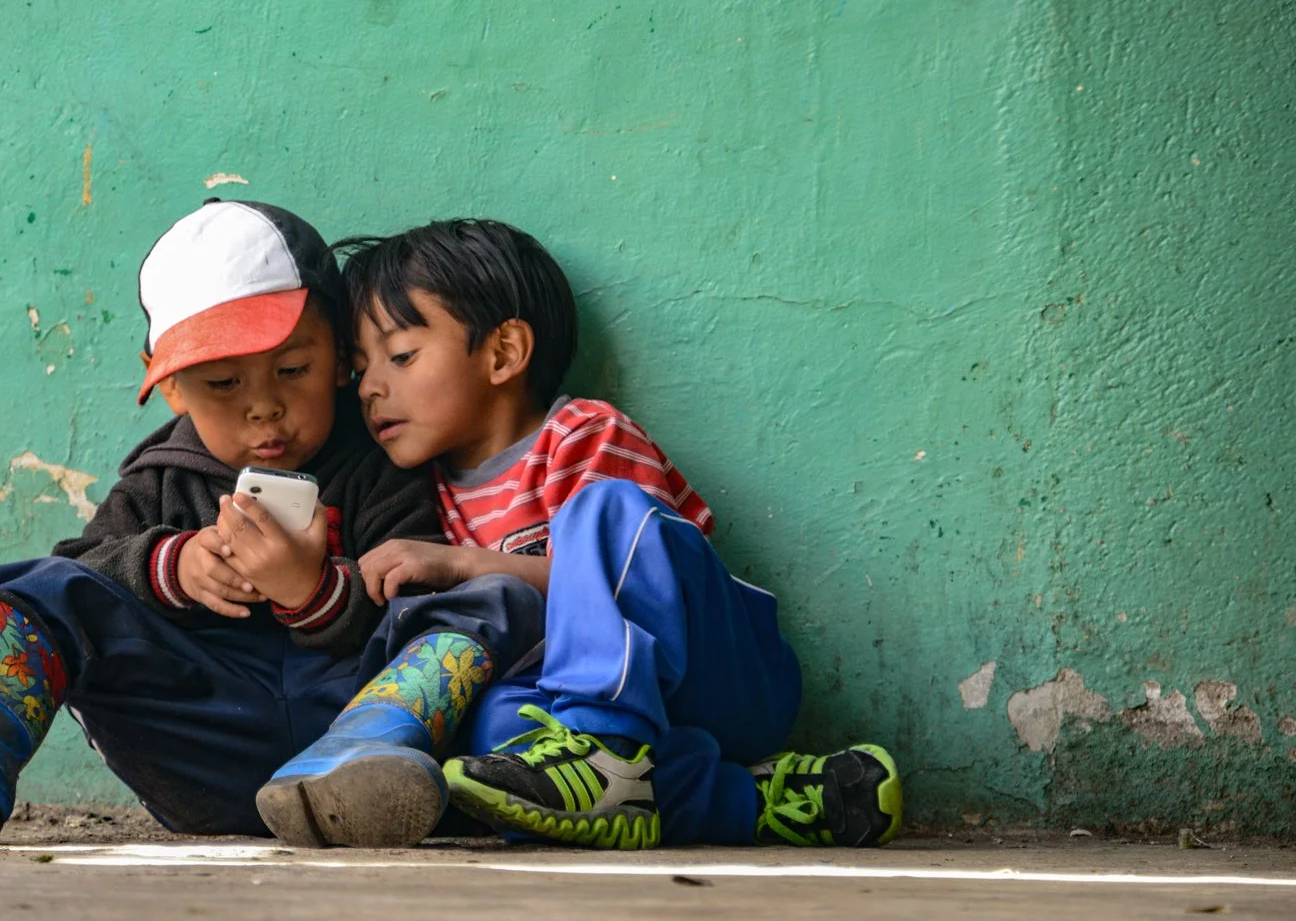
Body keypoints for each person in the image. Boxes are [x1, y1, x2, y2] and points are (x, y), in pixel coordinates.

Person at [0, 201, 542, 846]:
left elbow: (413, 595)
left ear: (341, 359)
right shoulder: (162, 477)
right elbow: (85, 573)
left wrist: (312, 590)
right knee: (31, 586)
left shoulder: (379, 460)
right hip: (204, 736)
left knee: (486, 598)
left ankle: (363, 756)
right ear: (169, 384)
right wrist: (174, 569)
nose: (263, 407)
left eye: (294, 370)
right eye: (223, 384)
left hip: (355, 727)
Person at [335, 219, 902, 850]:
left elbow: (629, 581)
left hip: (718, 677)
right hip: (593, 729)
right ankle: (755, 800)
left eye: (401, 356)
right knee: (499, 742)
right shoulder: (420, 495)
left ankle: (602, 747)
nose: (370, 387)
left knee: (604, 513)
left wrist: (464, 565)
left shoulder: (581, 435)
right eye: (359, 368)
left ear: (503, 353)